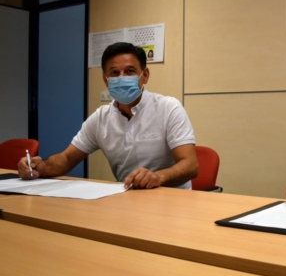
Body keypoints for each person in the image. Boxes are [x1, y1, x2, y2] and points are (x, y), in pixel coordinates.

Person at [18, 42, 198, 190]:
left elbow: (190, 164)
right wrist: (40, 167)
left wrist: (158, 177)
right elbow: (67, 158)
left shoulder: (168, 108)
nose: (122, 77)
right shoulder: (100, 118)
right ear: (105, 79)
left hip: (173, 200)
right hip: (128, 198)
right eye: (114, 73)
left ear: (145, 75)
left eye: (129, 71)